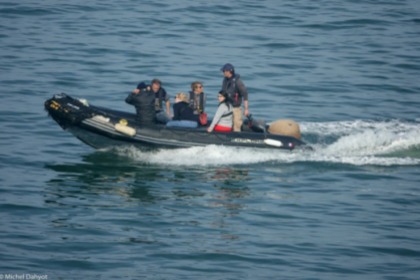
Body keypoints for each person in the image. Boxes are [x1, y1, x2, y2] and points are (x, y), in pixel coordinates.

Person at [220, 63, 249, 132]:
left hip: (236, 108)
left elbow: (245, 95)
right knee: (227, 124)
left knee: (237, 125)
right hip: (226, 107)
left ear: (229, 71)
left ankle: (237, 137)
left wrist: (246, 109)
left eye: (224, 71)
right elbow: (223, 92)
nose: (223, 72)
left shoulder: (238, 82)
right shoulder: (225, 80)